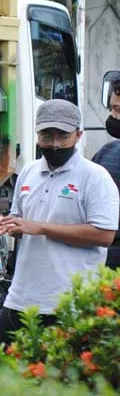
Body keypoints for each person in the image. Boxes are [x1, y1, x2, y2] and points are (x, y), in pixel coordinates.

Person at [0, 99, 119, 345]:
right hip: (23, 297)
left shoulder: (95, 177)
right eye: (47, 136)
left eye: (63, 136)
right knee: (4, 372)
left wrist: (39, 227)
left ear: (78, 135)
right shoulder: (28, 172)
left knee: (62, 380)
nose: (55, 144)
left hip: (72, 301)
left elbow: (104, 235)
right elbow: (22, 222)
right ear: (37, 135)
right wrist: (10, 225)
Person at [91, 80, 120, 269]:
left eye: (118, 110)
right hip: (105, 262)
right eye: (112, 108)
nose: (112, 116)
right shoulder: (107, 153)